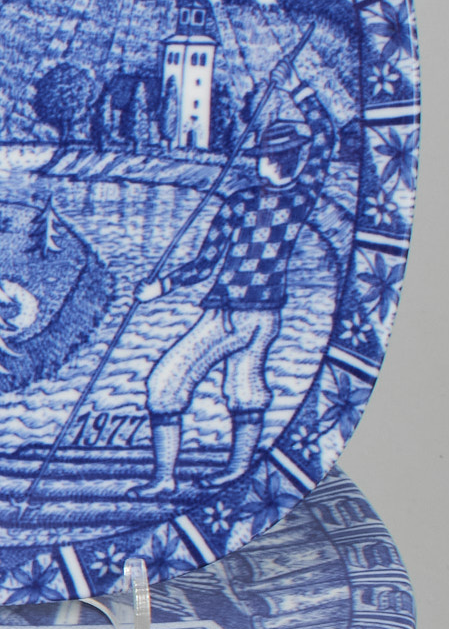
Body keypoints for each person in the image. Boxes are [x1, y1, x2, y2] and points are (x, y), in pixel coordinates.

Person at [133, 117, 320, 495]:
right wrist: (302, 91)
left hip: (232, 314)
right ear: (297, 160)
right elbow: (325, 139)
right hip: (268, 315)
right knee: (244, 386)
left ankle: (165, 478)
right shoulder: (304, 198)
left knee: (164, 385)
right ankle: (237, 469)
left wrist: (160, 288)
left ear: (266, 160)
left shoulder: (243, 202)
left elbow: (204, 265)